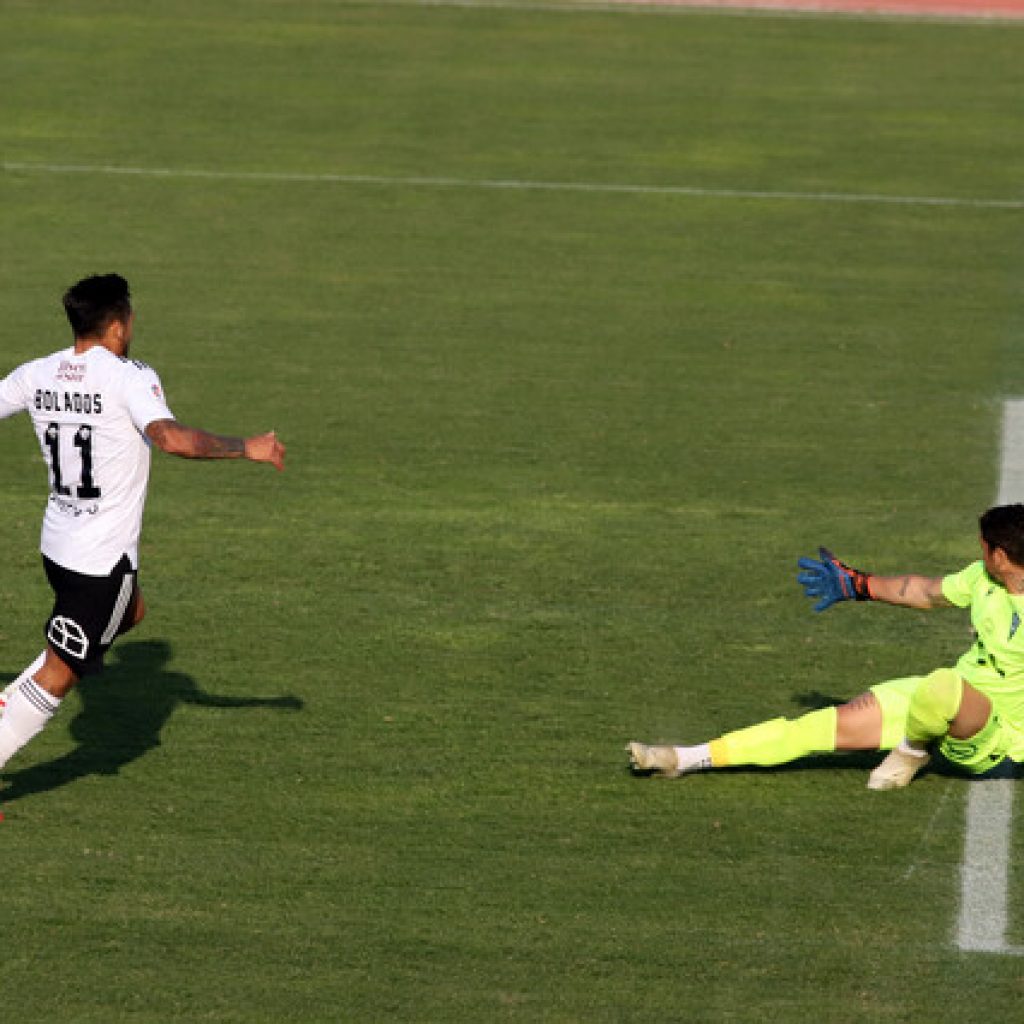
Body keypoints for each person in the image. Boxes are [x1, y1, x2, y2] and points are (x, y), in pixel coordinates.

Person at [0, 273, 286, 777]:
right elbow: (171, 439)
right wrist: (248, 447)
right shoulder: (129, 377)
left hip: (58, 548)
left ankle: (71, 648)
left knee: (131, 611)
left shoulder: (37, 373)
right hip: (98, 563)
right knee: (56, 674)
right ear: (116, 326)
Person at [627, 505, 1024, 789]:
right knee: (816, 727)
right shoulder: (981, 579)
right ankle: (684, 758)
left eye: (983, 546)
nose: (979, 551)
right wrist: (858, 585)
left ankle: (911, 752)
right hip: (943, 700)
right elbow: (924, 591)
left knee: (941, 687)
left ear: (1001, 557)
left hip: (995, 737)